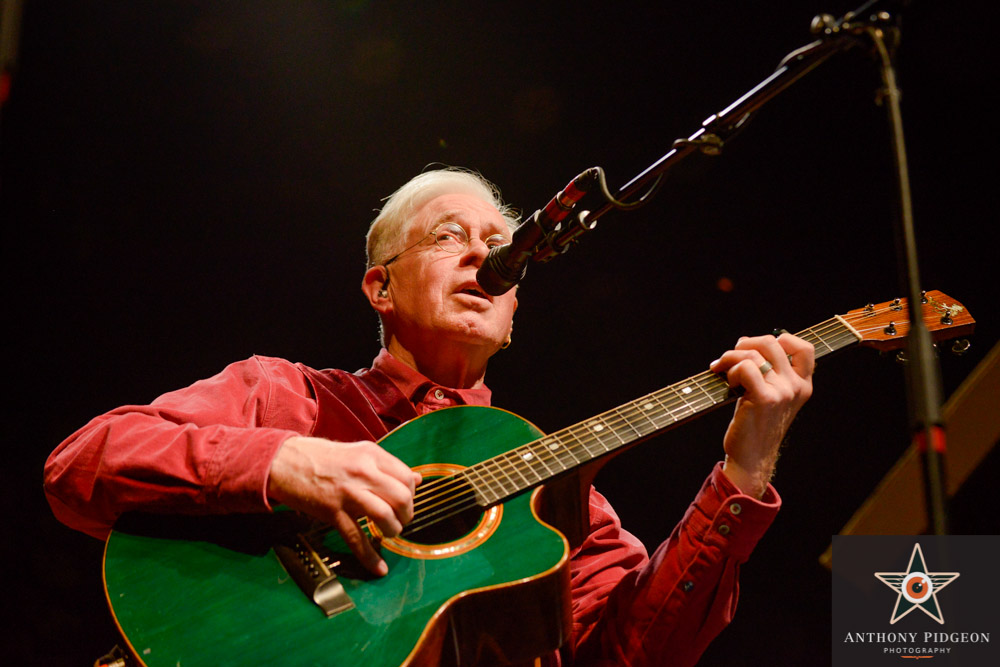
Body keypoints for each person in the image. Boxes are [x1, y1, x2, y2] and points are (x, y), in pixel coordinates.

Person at [44, 168, 814, 666]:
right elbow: (79, 465)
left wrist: (746, 469)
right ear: (380, 288)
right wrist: (280, 461)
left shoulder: (559, 504)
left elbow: (637, 653)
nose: (484, 258)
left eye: (501, 248)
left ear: (512, 315)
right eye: (449, 237)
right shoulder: (287, 397)